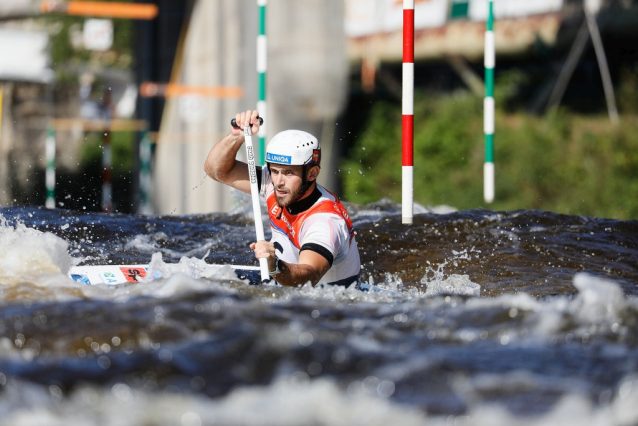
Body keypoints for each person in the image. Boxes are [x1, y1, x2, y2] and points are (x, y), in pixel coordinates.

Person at [204, 110, 361, 288]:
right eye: (275, 170)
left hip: (323, 300)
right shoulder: (274, 182)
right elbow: (216, 170)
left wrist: (274, 265)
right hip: (281, 279)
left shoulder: (325, 222)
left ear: (312, 173)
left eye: (288, 173)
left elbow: (308, 276)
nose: (278, 182)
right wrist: (237, 136)